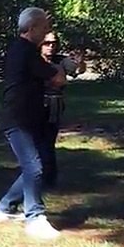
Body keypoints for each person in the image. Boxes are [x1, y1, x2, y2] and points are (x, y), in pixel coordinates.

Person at [0, 7, 67, 239]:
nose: (47, 34)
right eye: (44, 28)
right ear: (32, 28)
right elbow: (58, 80)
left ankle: (4, 208)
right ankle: (34, 217)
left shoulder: (23, 49)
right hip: (18, 119)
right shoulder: (25, 51)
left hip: (27, 118)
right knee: (34, 167)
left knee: (36, 165)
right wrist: (63, 66)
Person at [39, 31, 85, 189]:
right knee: (36, 143)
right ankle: (39, 175)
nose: (51, 46)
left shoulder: (60, 61)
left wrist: (80, 62)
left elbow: (77, 71)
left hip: (54, 105)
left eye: (54, 43)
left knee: (47, 143)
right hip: (35, 104)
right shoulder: (34, 60)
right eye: (47, 43)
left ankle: (48, 179)